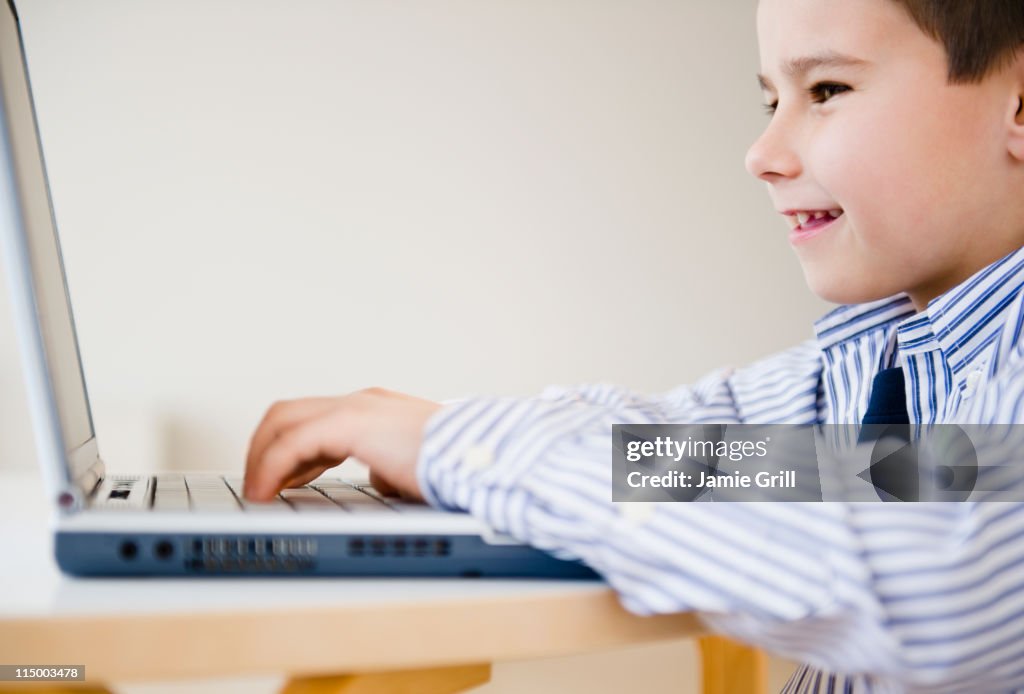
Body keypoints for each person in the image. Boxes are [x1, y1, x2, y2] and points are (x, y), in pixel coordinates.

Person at [242, 0, 1024, 691]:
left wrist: (459, 445)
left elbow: (935, 590)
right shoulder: (877, 375)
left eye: (826, 91)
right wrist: (431, 435)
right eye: (770, 101)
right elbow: (672, 458)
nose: (762, 153)